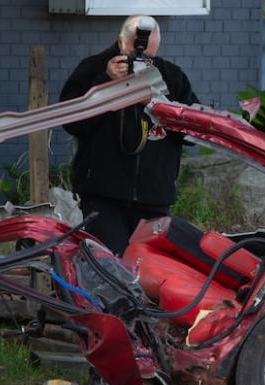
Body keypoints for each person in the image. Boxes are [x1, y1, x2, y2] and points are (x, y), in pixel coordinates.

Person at [59, 15, 199, 256]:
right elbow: (72, 122)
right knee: (107, 268)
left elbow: (192, 132)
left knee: (147, 271)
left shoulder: (171, 76)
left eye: (150, 56)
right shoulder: (93, 69)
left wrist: (157, 100)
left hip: (154, 197)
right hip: (103, 195)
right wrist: (107, 84)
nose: (142, 62)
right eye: (137, 55)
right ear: (120, 44)